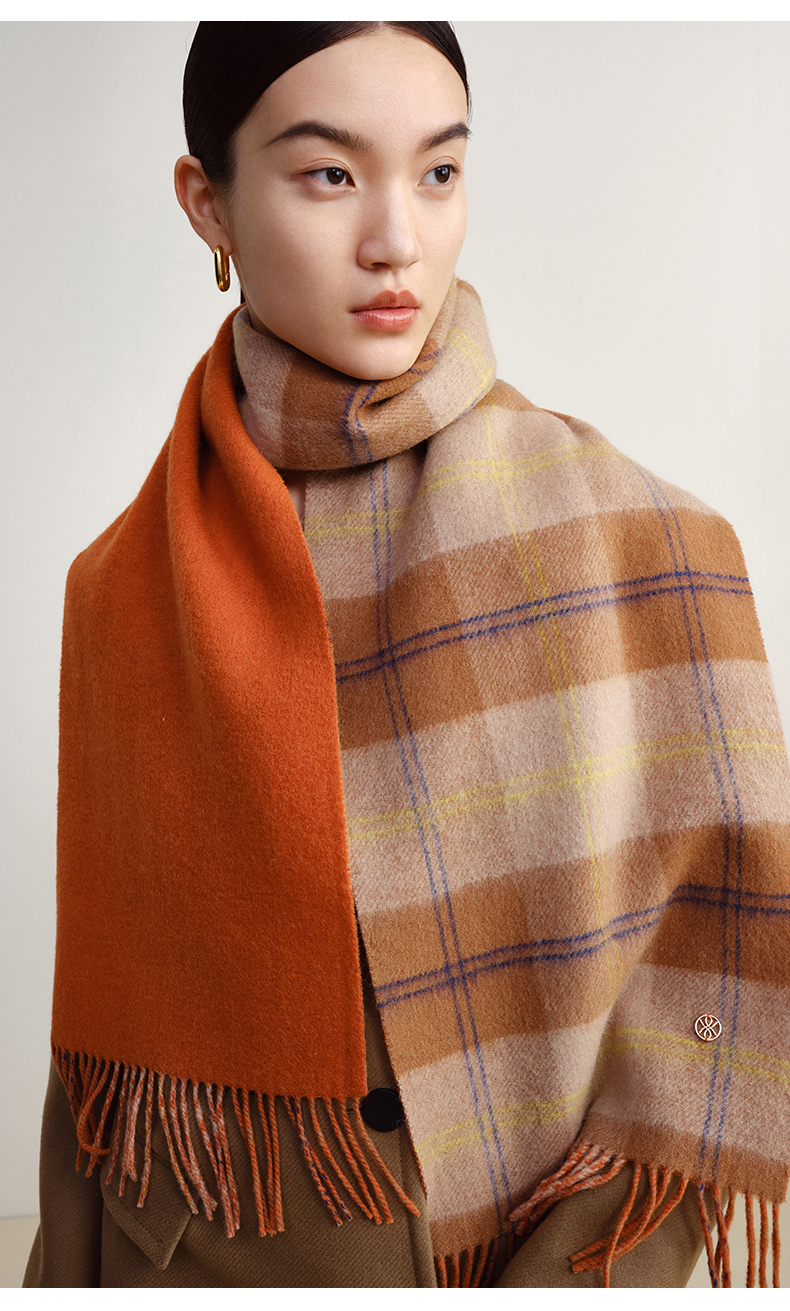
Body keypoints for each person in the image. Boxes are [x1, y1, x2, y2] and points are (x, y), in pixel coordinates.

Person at [24, 21, 790, 1289]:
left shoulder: (638, 539)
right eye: (329, 174)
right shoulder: (116, 592)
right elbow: (100, 1072)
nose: (398, 240)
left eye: (438, 172)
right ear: (207, 204)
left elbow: (717, 959)